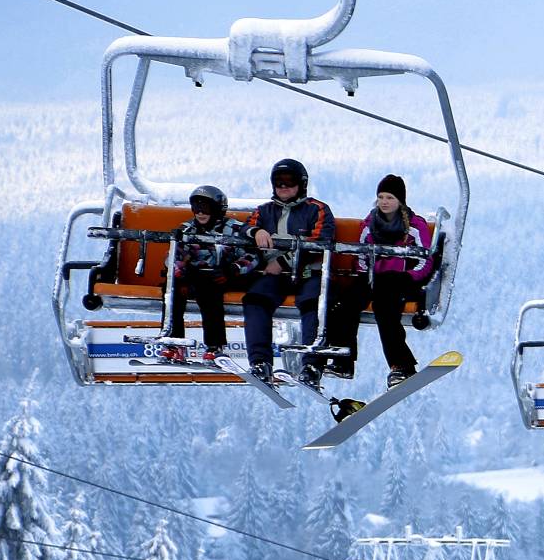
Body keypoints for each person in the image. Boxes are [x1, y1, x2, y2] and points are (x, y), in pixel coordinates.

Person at [325, 173, 433, 395]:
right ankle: (342, 358)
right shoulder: (370, 223)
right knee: (346, 304)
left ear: (400, 200)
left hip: (401, 279)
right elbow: (362, 254)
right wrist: (366, 274)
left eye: (390, 198)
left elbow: (426, 259)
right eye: (381, 197)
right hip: (374, 277)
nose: (384, 202)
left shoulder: (414, 226)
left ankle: (401, 365)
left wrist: (410, 276)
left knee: (385, 309)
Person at [243, 158, 336, 388]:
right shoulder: (265, 211)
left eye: (289, 182)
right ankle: (260, 362)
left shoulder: (317, 209)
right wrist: (256, 231)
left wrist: (283, 262)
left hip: (308, 272)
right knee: (255, 300)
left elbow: (320, 241)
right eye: (278, 182)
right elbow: (244, 228)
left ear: (301, 184)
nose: (283, 187)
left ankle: (312, 364)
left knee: (313, 302)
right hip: (277, 276)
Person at [162, 184, 254, 357]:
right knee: (170, 291)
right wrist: (181, 274)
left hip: (222, 276)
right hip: (193, 276)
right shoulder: (186, 230)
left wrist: (234, 269)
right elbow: (173, 256)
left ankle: (214, 345)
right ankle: (173, 341)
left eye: (205, 208)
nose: (200, 213)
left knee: (209, 293)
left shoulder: (233, 229)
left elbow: (252, 256)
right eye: (196, 208)